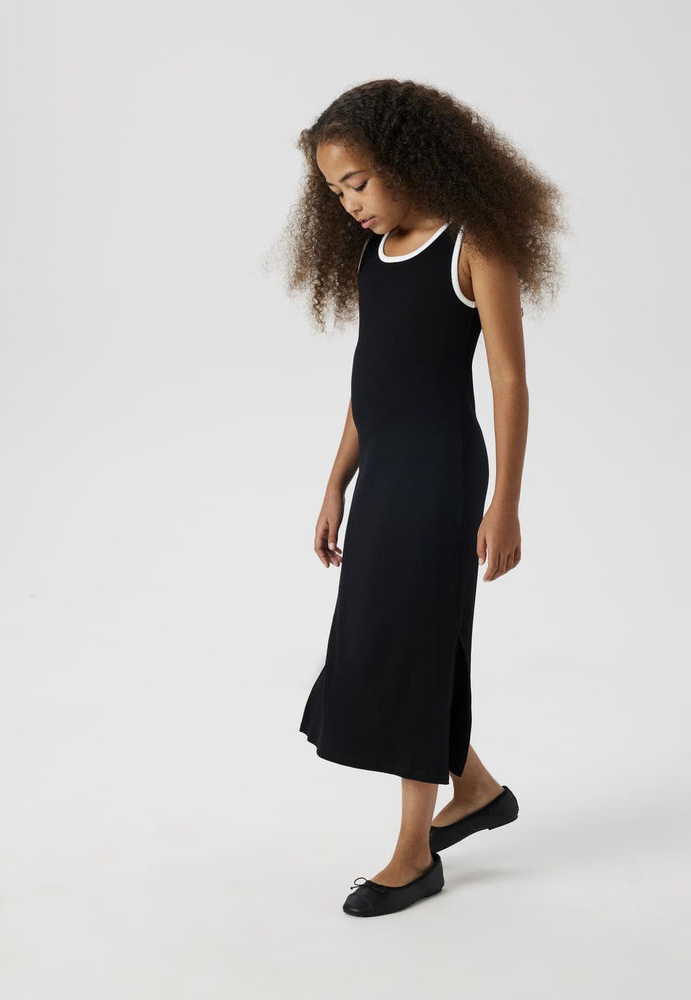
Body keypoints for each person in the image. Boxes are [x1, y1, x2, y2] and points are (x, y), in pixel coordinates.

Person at [279, 79, 566, 916]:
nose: (349, 204)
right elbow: (371, 383)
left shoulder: (475, 244)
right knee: (378, 643)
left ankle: (415, 855)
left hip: (442, 476)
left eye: (359, 182)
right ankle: (474, 790)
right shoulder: (373, 257)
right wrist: (335, 480)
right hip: (385, 476)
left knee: (413, 649)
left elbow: (510, 382)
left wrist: (505, 503)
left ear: (408, 159)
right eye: (335, 192)